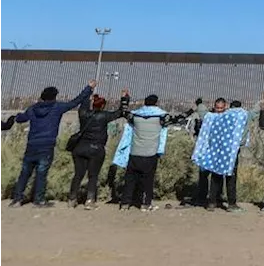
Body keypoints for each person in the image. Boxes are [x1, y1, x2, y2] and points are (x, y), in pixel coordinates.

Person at [8, 80, 95, 208]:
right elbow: (76, 101)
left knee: (25, 173)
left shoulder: (33, 109)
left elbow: (21, 118)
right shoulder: (57, 107)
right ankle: (39, 200)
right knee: (41, 174)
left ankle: (17, 199)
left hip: (32, 145)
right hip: (47, 145)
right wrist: (89, 88)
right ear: (54, 96)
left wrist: (14, 117)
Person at [116, 93, 191, 211]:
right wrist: (191, 110)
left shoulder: (135, 117)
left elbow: (123, 111)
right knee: (148, 181)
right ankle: (146, 204)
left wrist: (125, 99)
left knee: (130, 180)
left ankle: (125, 203)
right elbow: (178, 118)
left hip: (134, 153)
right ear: (156, 103)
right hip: (150, 154)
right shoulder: (161, 118)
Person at [68, 89, 128, 208]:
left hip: (80, 148)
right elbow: (121, 112)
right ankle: (90, 200)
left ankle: (72, 199)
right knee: (93, 175)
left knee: (78, 174)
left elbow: (83, 105)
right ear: (103, 105)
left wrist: (88, 93)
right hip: (96, 149)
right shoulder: (105, 116)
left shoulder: (83, 114)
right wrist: (124, 98)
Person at [193, 98, 251, 212]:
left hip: (226, 153)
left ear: (226, 107)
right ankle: (219, 202)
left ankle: (217, 202)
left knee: (225, 177)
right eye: (217, 108)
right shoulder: (219, 118)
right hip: (218, 152)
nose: (219, 110)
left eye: (221, 108)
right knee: (219, 177)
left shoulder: (224, 118)